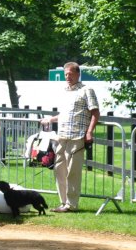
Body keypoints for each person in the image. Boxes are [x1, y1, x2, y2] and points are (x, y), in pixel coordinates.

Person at [40, 62, 100, 212]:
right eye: (66, 74)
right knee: (59, 169)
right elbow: (65, 115)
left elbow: (95, 113)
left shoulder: (87, 90)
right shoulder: (65, 92)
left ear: (78, 74)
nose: (68, 77)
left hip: (77, 137)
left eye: (71, 74)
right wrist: (50, 119)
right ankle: (63, 202)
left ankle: (72, 204)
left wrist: (89, 132)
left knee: (73, 171)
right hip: (62, 136)